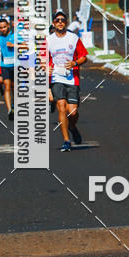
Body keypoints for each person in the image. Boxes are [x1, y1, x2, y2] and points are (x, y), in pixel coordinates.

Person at [48, 8, 88, 152]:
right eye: (57, 20)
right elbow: (40, 61)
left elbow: (84, 56)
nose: (60, 22)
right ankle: (66, 140)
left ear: (66, 22)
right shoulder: (48, 40)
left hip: (72, 78)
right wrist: (45, 70)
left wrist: (75, 63)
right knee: (61, 106)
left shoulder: (73, 38)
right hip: (56, 78)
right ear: (53, 23)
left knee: (73, 112)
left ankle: (72, 126)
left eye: (63, 20)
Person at [0, 18, 15, 120]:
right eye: (1, 28)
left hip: (15, 65)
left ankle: (14, 105)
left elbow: (25, 46)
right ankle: (9, 110)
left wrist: (14, 45)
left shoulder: (15, 36)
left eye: (4, 27)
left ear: (8, 26)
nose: (3, 29)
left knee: (15, 88)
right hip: (5, 65)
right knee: (7, 86)